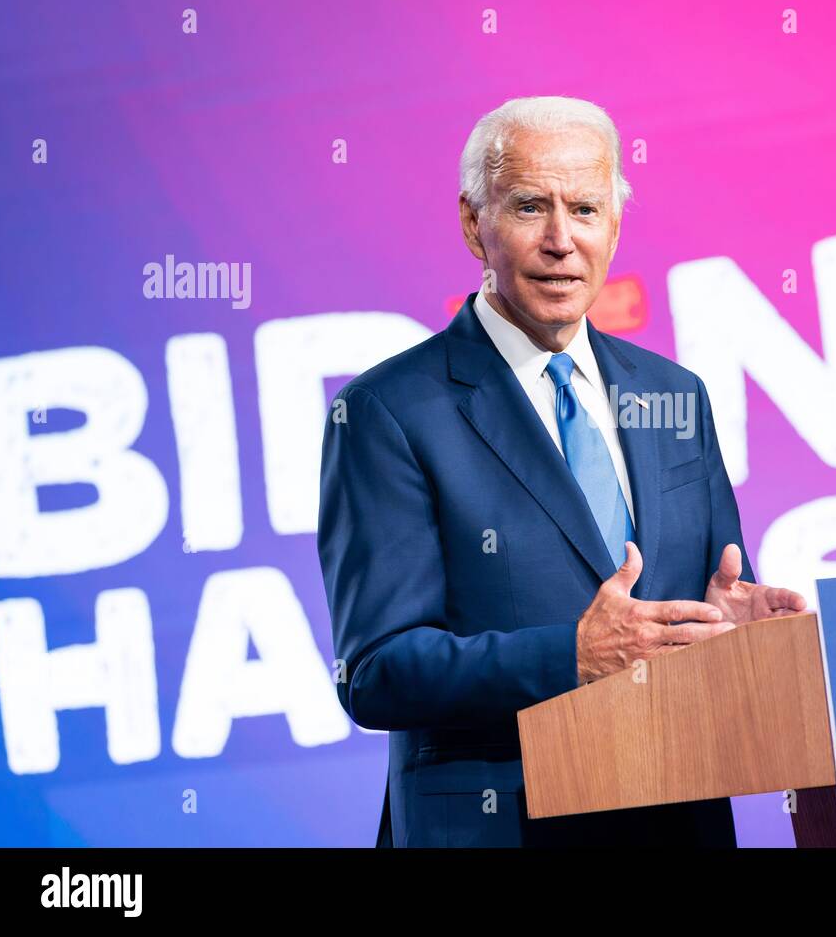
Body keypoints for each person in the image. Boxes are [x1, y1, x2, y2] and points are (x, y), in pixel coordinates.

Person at [317, 96, 806, 846]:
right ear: (473, 225)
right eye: (527, 208)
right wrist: (570, 657)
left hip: (677, 817)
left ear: (614, 223)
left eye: (584, 208)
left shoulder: (673, 394)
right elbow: (376, 670)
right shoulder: (387, 413)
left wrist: (733, 635)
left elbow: (701, 600)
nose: (560, 241)